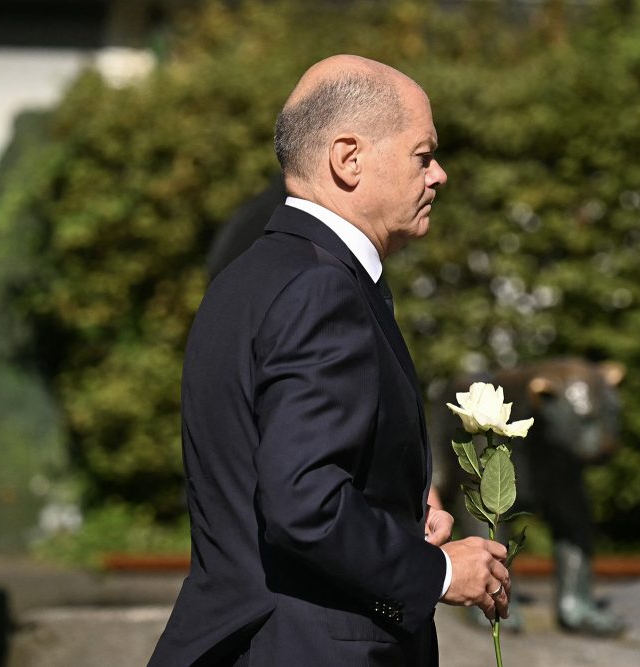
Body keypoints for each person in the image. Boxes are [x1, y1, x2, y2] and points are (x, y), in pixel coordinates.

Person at [149, 54, 511, 667]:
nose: (440, 174)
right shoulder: (322, 289)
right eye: (423, 155)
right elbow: (303, 506)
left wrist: (394, 519)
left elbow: (283, 490)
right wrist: (439, 573)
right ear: (348, 159)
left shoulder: (249, 279)